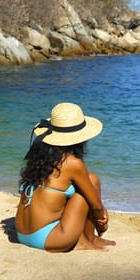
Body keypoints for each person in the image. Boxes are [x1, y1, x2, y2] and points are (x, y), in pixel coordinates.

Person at [15, 102, 116, 252]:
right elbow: (95, 205)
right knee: (92, 180)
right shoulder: (73, 163)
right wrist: (102, 221)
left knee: (79, 186)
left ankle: (90, 238)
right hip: (49, 239)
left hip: (22, 234)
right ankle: (87, 240)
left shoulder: (39, 157)